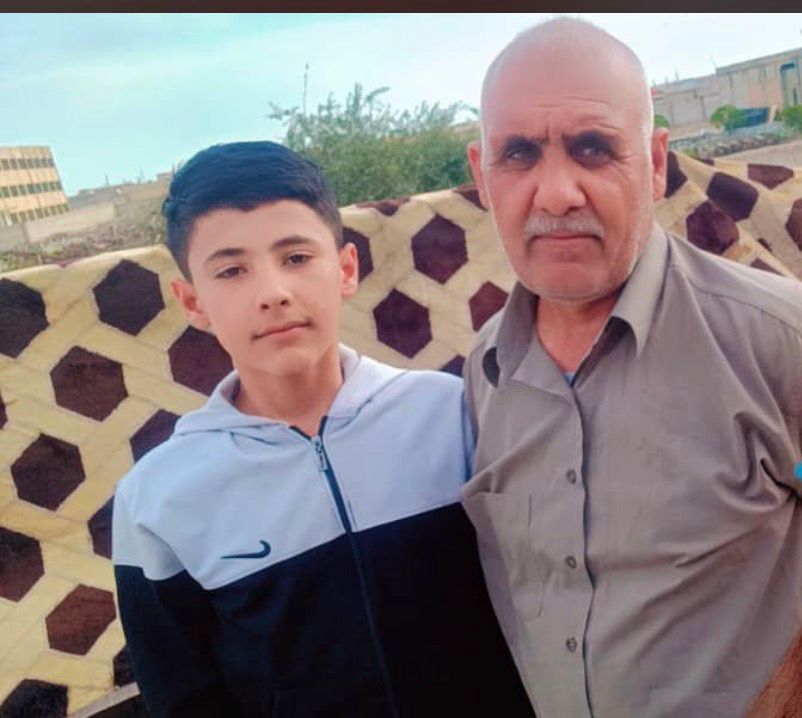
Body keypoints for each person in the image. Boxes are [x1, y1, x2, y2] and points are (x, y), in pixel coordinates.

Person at [112, 141, 533, 718]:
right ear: (192, 301)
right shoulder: (158, 500)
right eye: (231, 271)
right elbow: (182, 696)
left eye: (296, 257)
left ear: (346, 268)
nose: (273, 293)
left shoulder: (452, 415)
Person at [462, 17, 802, 718]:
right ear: (481, 176)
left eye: (593, 148)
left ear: (654, 161)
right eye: (519, 154)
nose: (557, 193)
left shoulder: (775, 342)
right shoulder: (486, 372)